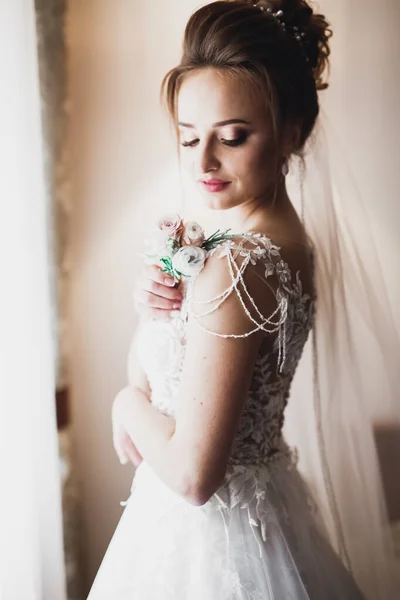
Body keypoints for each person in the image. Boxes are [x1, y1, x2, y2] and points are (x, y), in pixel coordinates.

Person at [87, 1, 397, 598]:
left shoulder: (238, 266)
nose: (203, 162)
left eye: (232, 137)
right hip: (258, 515)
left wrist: (125, 404)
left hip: (212, 545)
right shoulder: (276, 244)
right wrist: (154, 312)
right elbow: (173, 382)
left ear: (291, 134)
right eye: (188, 137)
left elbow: (192, 475)